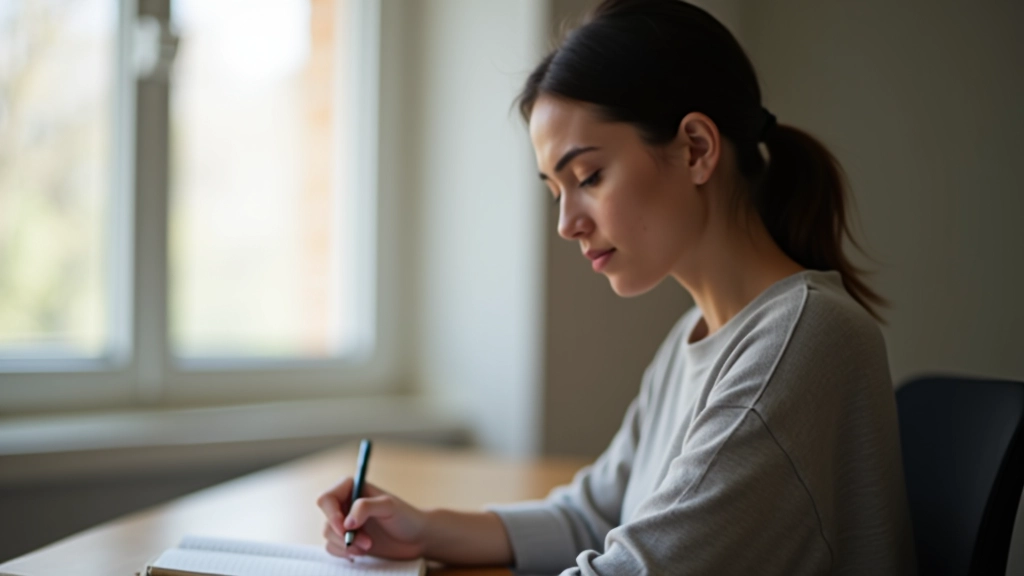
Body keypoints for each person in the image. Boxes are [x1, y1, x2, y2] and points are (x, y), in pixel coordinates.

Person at [316, 0, 917, 573]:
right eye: (556, 190)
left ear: (696, 149)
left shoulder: (800, 339)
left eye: (589, 176)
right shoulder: (699, 336)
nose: (566, 223)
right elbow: (594, 516)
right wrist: (425, 529)